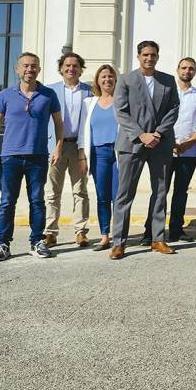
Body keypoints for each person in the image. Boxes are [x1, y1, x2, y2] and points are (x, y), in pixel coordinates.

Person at [109, 41, 180, 260]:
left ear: (158, 57)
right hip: (132, 144)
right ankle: (119, 242)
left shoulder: (168, 81)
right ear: (138, 56)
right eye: (146, 54)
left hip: (161, 144)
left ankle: (157, 239)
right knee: (124, 194)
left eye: (153, 55)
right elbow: (120, 111)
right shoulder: (126, 80)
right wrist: (141, 135)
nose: (149, 58)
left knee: (160, 192)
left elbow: (174, 109)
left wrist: (157, 134)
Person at [0, 53, 62, 261]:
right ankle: (3, 244)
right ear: (17, 69)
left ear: (39, 69)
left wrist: (58, 148)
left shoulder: (48, 95)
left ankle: (37, 242)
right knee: (7, 202)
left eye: (34, 66)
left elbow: (58, 124)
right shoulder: (5, 95)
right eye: (26, 66)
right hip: (10, 156)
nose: (30, 69)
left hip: (37, 157)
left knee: (37, 201)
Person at [44, 52, 92, 247]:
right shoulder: (49, 91)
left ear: (81, 69)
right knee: (52, 191)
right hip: (55, 145)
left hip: (79, 147)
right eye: (68, 65)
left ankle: (80, 231)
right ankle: (50, 232)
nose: (71, 69)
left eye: (75, 66)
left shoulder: (90, 92)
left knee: (80, 190)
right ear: (61, 68)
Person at [163, 57, 196, 242]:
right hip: (165, 150)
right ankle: (151, 230)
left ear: (195, 72)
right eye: (184, 68)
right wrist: (170, 142)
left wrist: (189, 143)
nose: (187, 71)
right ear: (177, 69)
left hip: (188, 152)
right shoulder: (167, 93)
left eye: (191, 68)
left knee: (181, 192)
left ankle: (176, 230)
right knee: (160, 191)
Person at [78, 65, 119, 251]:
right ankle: (105, 236)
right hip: (98, 154)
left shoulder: (122, 101)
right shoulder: (89, 103)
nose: (107, 80)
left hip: (119, 154)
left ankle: (119, 236)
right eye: (103, 76)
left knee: (118, 197)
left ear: (115, 80)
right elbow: (82, 132)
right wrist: (83, 158)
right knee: (102, 197)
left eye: (110, 76)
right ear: (97, 80)